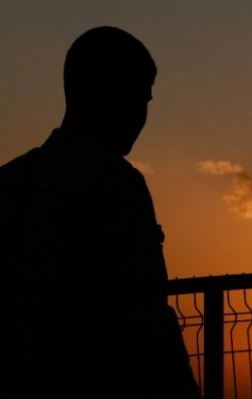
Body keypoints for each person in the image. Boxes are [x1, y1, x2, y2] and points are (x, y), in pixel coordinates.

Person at [0, 27, 201, 398]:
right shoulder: (118, 185)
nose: (142, 116)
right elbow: (149, 318)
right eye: (139, 99)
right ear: (105, 94)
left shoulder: (10, 182)